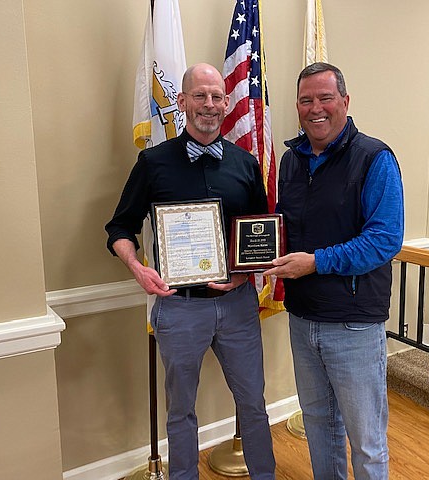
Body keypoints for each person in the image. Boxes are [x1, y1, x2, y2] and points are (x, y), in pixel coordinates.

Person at [105, 63, 275, 480]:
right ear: (181, 102)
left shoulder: (245, 164)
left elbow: (260, 234)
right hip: (178, 309)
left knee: (253, 402)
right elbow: (119, 229)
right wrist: (138, 267)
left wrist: (243, 275)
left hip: (237, 306)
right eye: (200, 95)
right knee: (181, 409)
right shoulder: (153, 163)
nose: (210, 105)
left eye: (217, 96)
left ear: (225, 102)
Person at [264, 62, 404, 480]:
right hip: (303, 319)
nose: (316, 108)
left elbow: (384, 240)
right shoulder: (291, 161)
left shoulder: (374, 158)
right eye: (306, 100)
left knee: (366, 441)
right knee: (319, 427)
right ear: (297, 106)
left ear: (345, 101)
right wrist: (249, 255)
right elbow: (281, 227)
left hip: (353, 325)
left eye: (325, 98)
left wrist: (316, 261)